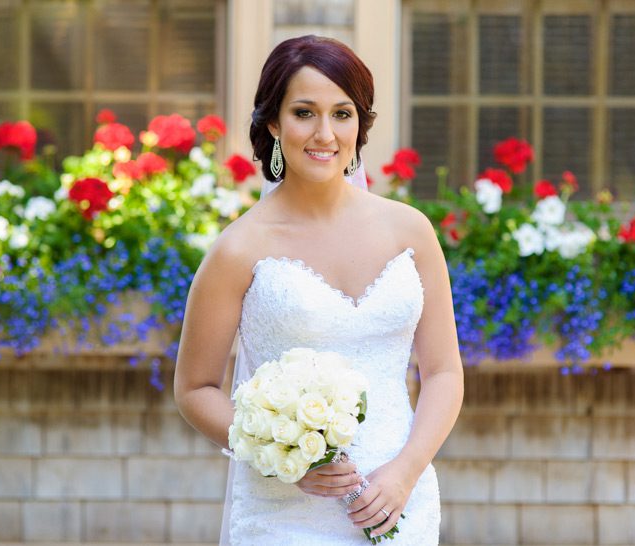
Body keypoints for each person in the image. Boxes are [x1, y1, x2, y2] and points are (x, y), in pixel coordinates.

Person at [174, 35, 463, 545]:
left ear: (360, 123)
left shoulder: (411, 231)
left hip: (400, 503)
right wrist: (286, 459)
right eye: (304, 112)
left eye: (342, 113)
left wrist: (404, 473)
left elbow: (442, 372)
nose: (325, 133)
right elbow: (195, 390)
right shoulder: (238, 250)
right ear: (272, 122)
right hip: (285, 513)